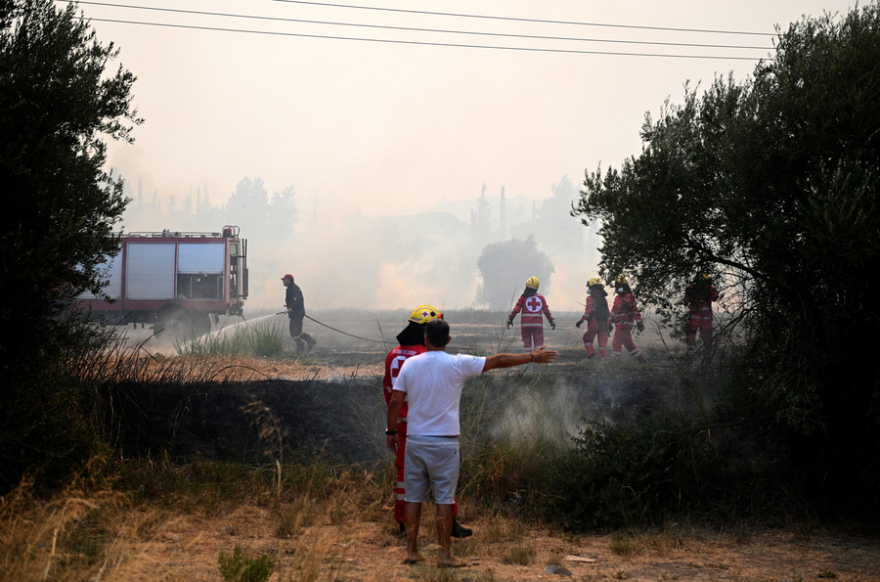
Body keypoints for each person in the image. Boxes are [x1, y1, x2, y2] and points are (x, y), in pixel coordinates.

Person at [386, 318, 557, 567]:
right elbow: (498, 360)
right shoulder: (457, 363)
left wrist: (391, 432)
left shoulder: (410, 365)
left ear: (425, 339)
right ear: (449, 341)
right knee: (444, 499)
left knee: (413, 498)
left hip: (415, 441)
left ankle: (412, 552)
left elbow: (394, 402)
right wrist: (532, 356)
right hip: (445, 444)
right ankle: (445, 555)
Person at [382, 305, 472, 539]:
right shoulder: (425, 356)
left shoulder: (393, 354)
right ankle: (450, 523)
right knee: (445, 470)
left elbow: (390, 392)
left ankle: (404, 524)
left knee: (404, 474)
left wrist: (391, 427)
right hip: (427, 422)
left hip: (402, 424)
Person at [507, 276, 555, 351]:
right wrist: (551, 321)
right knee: (538, 343)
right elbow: (546, 311)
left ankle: (528, 359)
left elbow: (516, 309)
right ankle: (538, 359)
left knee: (527, 343)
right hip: (537, 325)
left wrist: (510, 319)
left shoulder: (523, 297)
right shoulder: (541, 297)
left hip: (525, 325)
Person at [610, 275, 646, 363]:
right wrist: (609, 322)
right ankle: (641, 359)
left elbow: (635, 311)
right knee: (628, 343)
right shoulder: (617, 298)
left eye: (619, 286)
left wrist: (640, 323)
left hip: (625, 324)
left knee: (616, 342)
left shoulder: (629, 296)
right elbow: (613, 311)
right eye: (617, 286)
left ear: (624, 287)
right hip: (619, 324)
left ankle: (614, 361)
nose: (618, 288)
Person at [683, 273, 719, 358]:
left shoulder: (694, 288)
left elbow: (685, 301)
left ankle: (694, 356)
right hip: (703, 319)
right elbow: (715, 297)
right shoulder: (709, 289)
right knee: (704, 338)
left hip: (696, 318)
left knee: (694, 337)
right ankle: (704, 356)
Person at [576, 277, 610, 359]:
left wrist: (581, 321)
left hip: (593, 323)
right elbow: (608, 313)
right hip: (604, 324)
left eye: (589, 287)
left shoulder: (590, 298)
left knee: (587, 339)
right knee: (602, 344)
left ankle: (590, 355)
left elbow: (588, 311)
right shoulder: (604, 299)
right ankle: (604, 358)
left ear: (592, 288)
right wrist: (609, 325)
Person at [281, 274, 316, 352]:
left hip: (297, 314)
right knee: (298, 331)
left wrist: (292, 307)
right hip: (296, 314)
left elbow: (298, 299)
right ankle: (309, 341)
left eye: (284, 280)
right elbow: (294, 300)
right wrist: (289, 306)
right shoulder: (290, 288)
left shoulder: (294, 288)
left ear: (289, 280)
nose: (283, 281)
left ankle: (300, 346)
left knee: (293, 331)